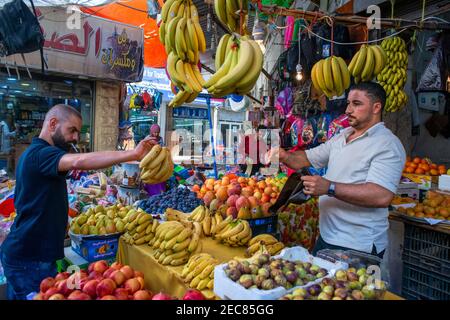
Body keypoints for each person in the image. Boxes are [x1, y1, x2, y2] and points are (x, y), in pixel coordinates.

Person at [0, 104, 158, 300]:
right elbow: (78, 160)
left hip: (27, 254)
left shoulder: (36, 154)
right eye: (72, 130)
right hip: (30, 259)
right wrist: (133, 154)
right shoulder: (41, 154)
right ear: (52, 124)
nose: (76, 137)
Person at [269, 82, 406, 259]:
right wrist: (284, 155)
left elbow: (381, 195)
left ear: (376, 107)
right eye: (348, 103)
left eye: (357, 104)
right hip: (326, 237)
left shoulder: (387, 144)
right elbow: (306, 158)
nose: (348, 110)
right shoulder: (342, 136)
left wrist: (329, 187)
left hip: (357, 246)